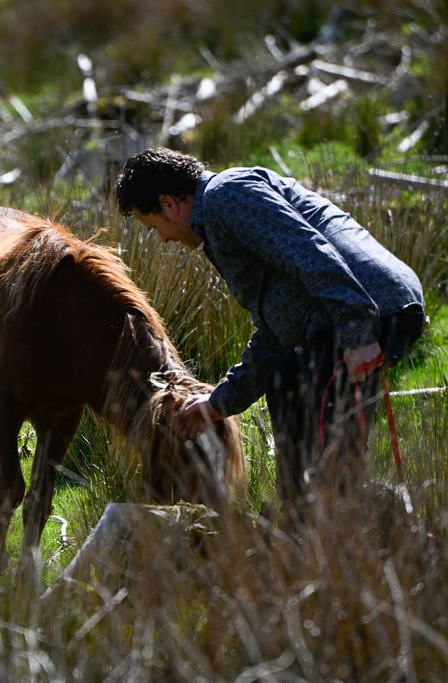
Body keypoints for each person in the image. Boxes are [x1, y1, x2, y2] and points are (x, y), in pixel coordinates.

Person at [114, 148, 426, 508]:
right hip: (340, 318)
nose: (163, 239)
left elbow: (310, 250)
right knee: (284, 379)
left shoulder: (225, 196)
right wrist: (218, 404)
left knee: (330, 470)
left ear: (168, 203)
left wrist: (357, 331)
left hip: (365, 313)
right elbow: (276, 332)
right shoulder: (219, 217)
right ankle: (303, 531)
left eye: (154, 227)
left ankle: (374, 533)